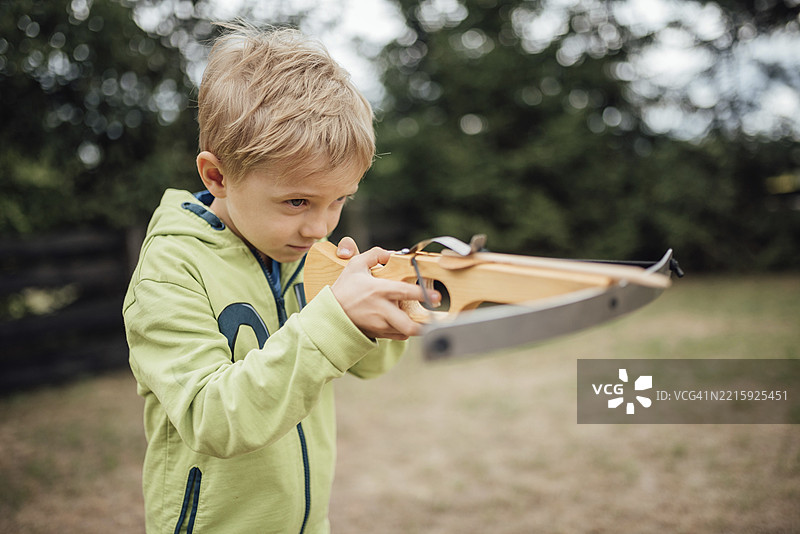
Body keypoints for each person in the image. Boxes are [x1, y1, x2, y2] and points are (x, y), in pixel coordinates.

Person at [123, 22, 437, 534]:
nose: (320, 227)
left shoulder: (301, 249)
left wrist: (378, 315)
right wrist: (332, 321)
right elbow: (210, 418)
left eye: (339, 200)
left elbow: (366, 367)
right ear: (217, 176)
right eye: (297, 201)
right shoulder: (170, 272)